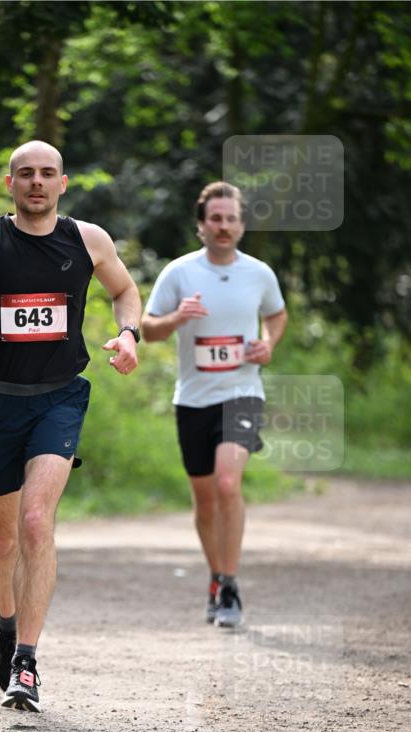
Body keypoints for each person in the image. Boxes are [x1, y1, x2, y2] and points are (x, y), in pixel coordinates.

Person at [0, 140, 141, 711]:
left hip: (60, 398)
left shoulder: (89, 240)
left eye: (47, 174)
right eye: (25, 174)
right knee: (3, 539)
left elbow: (126, 291)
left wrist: (129, 333)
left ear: (63, 183)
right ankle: (7, 623)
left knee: (37, 522)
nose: (36, 182)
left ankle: (27, 663)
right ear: (10, 184)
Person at [141, 181, 287, 628]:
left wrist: (268, 343)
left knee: (227, 483)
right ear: (202, 225)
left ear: (242, 225)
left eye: (232, 219)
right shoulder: (179, 273)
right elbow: (148, 329)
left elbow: (276, 314)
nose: (224, 226)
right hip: (193, 400)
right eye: (216, 219)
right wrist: (177, 317)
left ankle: (230, 584)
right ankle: (215, 574)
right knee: (205, 502)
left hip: (242, 394)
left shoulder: (259, 273)